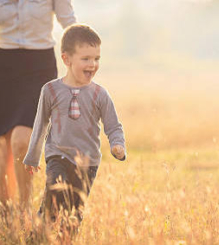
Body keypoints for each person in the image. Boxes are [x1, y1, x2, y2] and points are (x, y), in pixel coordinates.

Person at [23, 24, 126, 237]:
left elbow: (113, 125)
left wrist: (118, 145)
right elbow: (40, 125)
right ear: (67, 59)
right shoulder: (50, 90)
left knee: (74, 209)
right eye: (86, 58)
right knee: (54, 193)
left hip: (88, 163)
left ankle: (64, 239)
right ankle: (38, 237)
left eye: (96, 58)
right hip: (57, 155)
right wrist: (32, 157)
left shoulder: (100, 94)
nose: (93, 64)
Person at [0, 0, 76, 210]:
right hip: (4, 64)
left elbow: (68, 21)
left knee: (21, 141)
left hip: (38, 66)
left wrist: (83, 56)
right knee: (4, 148)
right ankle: (6, 213)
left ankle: (24, 210)